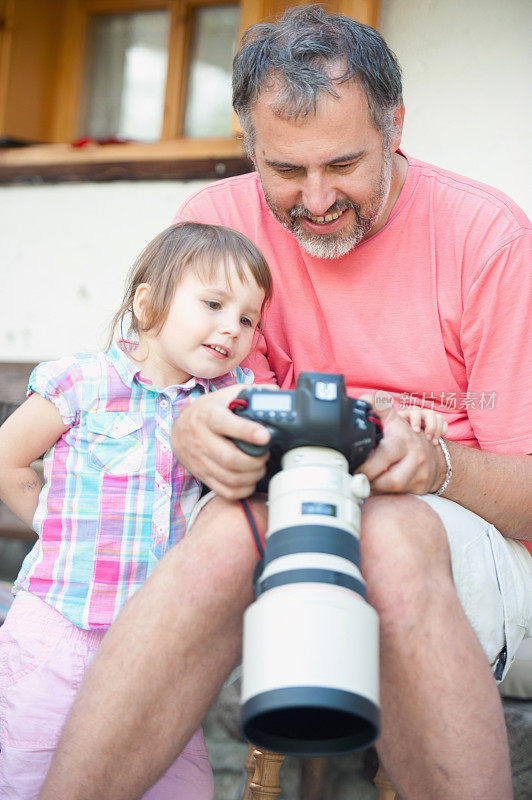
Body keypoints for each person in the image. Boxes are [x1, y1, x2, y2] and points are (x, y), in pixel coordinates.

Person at [38, 6, 531, 800]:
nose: (317, 199)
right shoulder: (215, 229)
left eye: (342, 164)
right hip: (277, 525)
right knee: (244, 524)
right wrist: (191, 425)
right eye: (284, 171)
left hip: (462, 546)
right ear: (247, 145)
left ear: (396, 124)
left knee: (391, 531)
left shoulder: (489, 238)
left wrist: (435, 465)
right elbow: (172, 406)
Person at [0, 221, 274, 799]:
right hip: (60, 631)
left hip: (156, 644)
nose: (232, 326)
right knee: (36, 780)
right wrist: (51, 524)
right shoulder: (87, 382)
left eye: (248, 318)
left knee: (175, 784)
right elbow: (8, 458)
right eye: (214, 303)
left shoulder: (225, 400)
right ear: (148, 304)